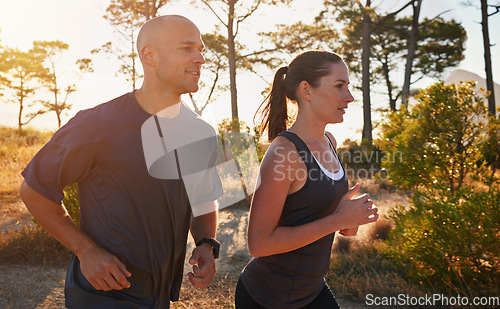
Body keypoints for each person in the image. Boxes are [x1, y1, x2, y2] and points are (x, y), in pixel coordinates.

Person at [20, 15, 223, 309]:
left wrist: (206, 242)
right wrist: (86, 250)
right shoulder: (97, 125)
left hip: (158, 295)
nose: (200, 58)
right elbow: (33, 189)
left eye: (201, 50)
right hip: (102, 295)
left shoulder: (201, 133)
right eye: (186, 48)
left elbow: (203, 198)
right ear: (149, 55)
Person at [235, 50, 379, 309]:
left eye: (348, 86)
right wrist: (337, 220)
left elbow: (331, 222)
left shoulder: (330, 142)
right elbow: (258, 244)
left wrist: (352, 218)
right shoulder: (284, 153)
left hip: (311, 291)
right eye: (339, 86)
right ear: (307, 91)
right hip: (266, 298)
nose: (349, 97)